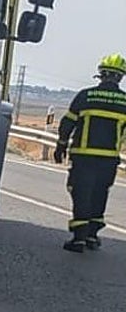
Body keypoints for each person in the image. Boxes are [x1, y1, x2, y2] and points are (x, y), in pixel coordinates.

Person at [54, 53, 126, 252]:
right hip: (109, 160)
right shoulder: (124, 102)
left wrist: (61, 145)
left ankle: (78, 238)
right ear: (121, 77)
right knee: (99, 193)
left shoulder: (86, 96)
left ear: (101, 74)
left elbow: (68, 122)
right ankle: (92, 236)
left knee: (81, 192)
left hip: (83, 157)